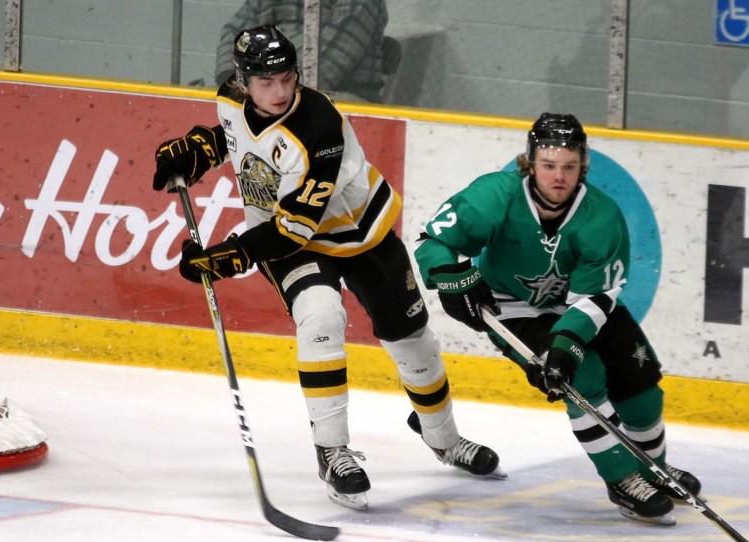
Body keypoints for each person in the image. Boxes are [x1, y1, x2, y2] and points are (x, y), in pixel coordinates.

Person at [153, 25, 502, 510]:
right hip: (293, 245)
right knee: (320, 317)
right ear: (242, 81)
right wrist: (201, 150)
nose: (278, 91)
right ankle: (333, 451)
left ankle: (444, 438)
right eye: (266, 82)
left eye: (287, 78)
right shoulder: (230, 99)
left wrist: (232, 255)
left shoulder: (320, 124)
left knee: (411, 337)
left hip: (358, 234)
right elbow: (237, 136)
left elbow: (296, 224)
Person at [413, 113, 702, 526]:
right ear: (530, 164)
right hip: (510, 306)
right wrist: (450, 276)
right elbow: (434, 240)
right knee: (581, 379)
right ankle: (622, 478)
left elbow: (596, 296)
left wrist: (567, 342)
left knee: (640, 382)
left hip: (582, 305)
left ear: (582, 166)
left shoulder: (601, 217)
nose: (559, 176)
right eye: (549, 166)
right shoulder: (495, 195)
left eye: (569, 166)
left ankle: (653, 467)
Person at [214, 0, 388, 103]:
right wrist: (237, 82)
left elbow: (327, 65)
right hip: (271, 87)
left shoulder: (362, 3)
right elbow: (234, 33)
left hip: (340, 99)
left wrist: (265, 79)